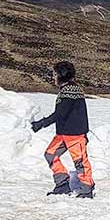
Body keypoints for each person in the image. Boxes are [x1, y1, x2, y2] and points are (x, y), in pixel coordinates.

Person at [31, 61, 96, 198]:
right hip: (63, 133)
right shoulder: (68, 90)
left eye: (55, 74)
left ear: (62, 75)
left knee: (80, 162)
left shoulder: (70, 91)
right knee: (50, 154)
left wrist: (41, 123)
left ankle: (86, 188)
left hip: (74, 134)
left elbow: (60, 113)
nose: (53, 77)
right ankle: (62, 183)